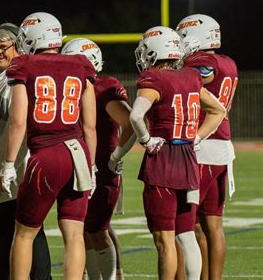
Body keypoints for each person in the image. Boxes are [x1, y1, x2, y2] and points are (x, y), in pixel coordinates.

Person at [0, 12, 97, 280]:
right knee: (74, 234)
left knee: (25, 232)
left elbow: (18, 122)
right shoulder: (80, 64)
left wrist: (7, 166)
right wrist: (93, 165)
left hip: (46, 154)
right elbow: (90, 126)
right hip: (78, 153)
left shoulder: (25, 65)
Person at [131, 26, 226, 280]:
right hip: (188, 159)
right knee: (186, 235)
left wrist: (146, 139)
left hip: (162, 160)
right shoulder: (191, 77)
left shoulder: (154, 79)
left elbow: (136, 115)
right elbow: (218, 111)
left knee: (165, 240)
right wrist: (196, 136)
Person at [0, 23, 52, 280]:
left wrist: (8, 167)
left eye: (2, 47)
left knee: (8, 237)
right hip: (14, 170)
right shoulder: (12, 79)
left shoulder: (17, 81)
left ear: (19, 46)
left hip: (13, 172)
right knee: (28, 233)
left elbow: (19, 126)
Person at [62, 38, 136, 280]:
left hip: (101, 166)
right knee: (83, 228)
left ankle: (112, 276)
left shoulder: (105, 88)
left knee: (97, 228)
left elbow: (130, 123)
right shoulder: (69, 86)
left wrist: (116, 155)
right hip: (77, 163)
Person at [177, 14, 238, 280]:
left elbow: (201, 76)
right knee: (212, 224)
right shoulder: (229, 62)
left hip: (201, 145)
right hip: (223, 146)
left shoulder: (203, 61)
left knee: (183, 225)